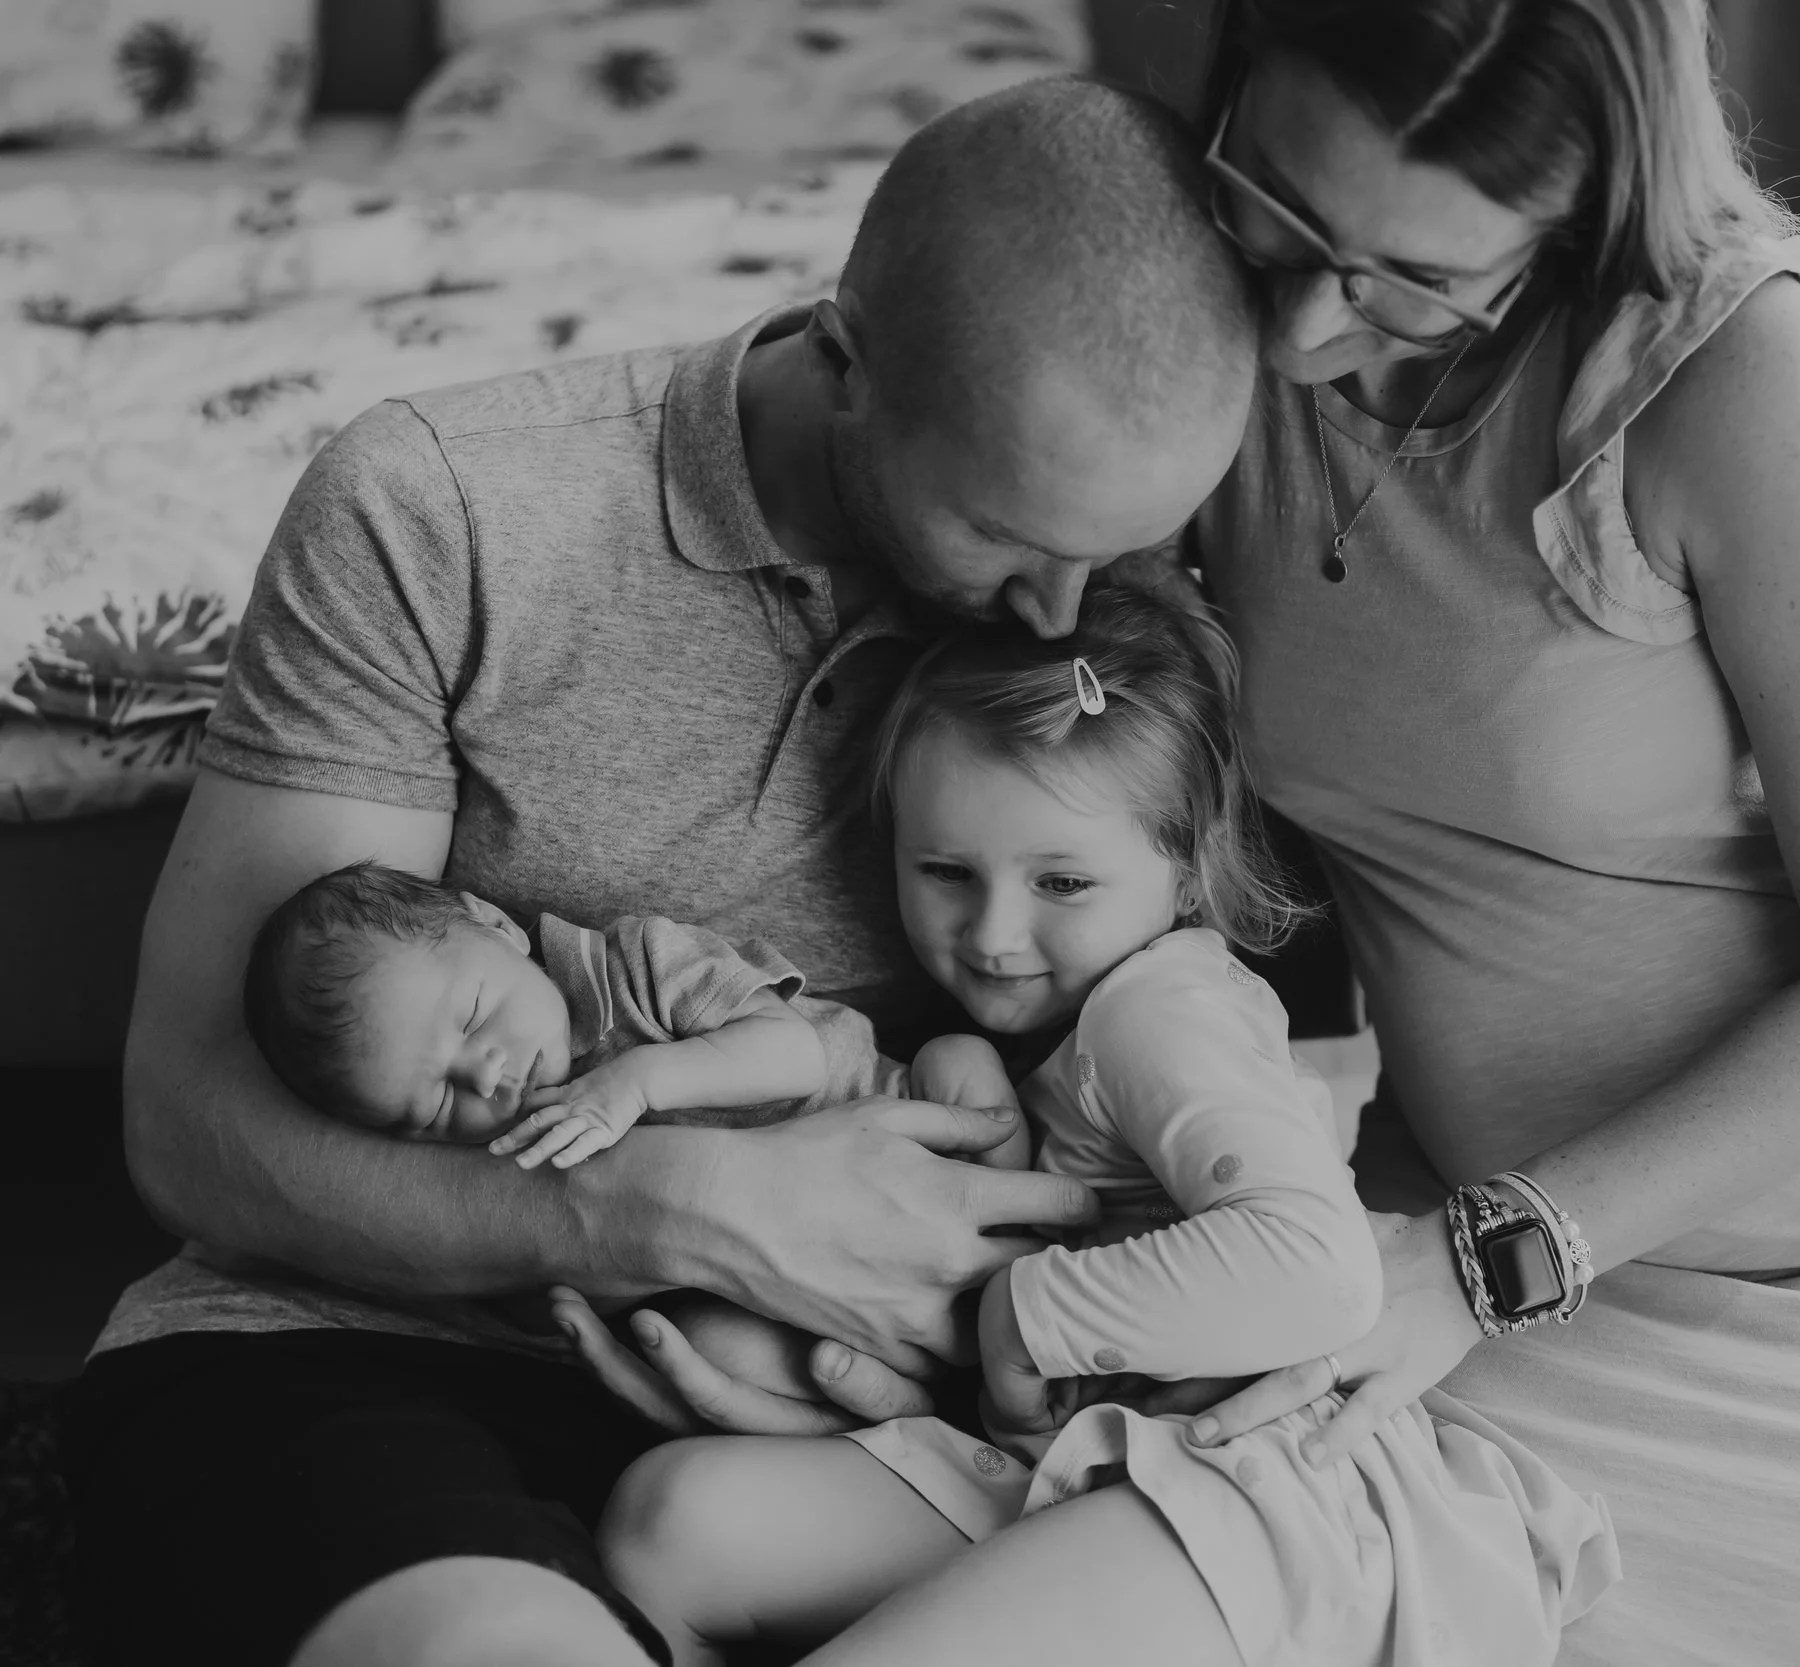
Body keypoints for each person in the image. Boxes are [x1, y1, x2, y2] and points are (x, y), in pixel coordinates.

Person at [67, 77, 1257, 1667]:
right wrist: (676, 1208)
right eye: (1001, 532)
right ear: (846, 356)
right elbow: (197, 1126)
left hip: (902, 1416)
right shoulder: (442, 512)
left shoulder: (1141, 556)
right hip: (375, 1340)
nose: (1060, 619)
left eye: (1113, 554)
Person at [1160, 3, 1800, 1664]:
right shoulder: (1193, 277)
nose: (1296, 324)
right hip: (1468, 1224)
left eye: (1413, 283)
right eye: (1277, 209)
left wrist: (1487, 1262)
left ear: (1581, 215)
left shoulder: (1723, 375)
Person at [588, 583, 1617, 1667]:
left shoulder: (1155, 1010)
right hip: (1091, 1458)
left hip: (1256, 1481)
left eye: (1062, 880)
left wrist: (1021, 1315)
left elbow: (1319, 1264)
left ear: (1183, 872)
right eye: (944, 871)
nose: (991, 931)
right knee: (670, 1524)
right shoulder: (1063, 1024)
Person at [243, 861, 961, 1172]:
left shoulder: (640, 964)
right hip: (822, 1234)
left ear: (494, 924)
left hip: (902, 1114)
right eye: (432, 1104)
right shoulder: (516, 1146)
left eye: (469, 1018)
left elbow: (797, 1056)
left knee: (964, 1065)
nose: (483, 1075)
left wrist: (639, 1083)